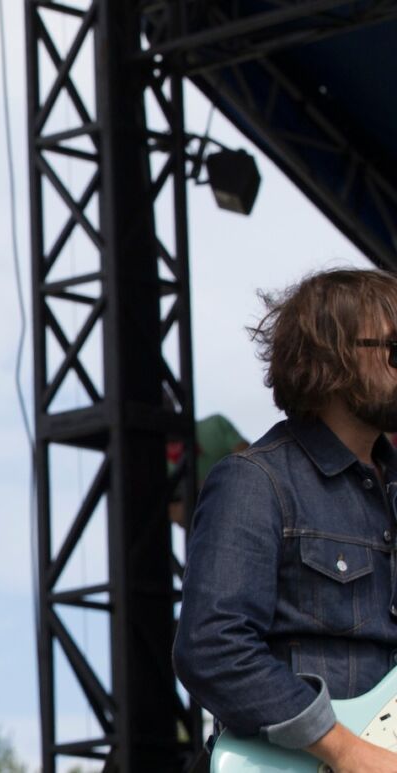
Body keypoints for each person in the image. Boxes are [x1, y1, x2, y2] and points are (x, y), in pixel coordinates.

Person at [174, 268, 397, 771]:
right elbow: (212, 647)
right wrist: (347, 752)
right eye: (393, 347)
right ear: (335, 358)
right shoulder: (258, 482)